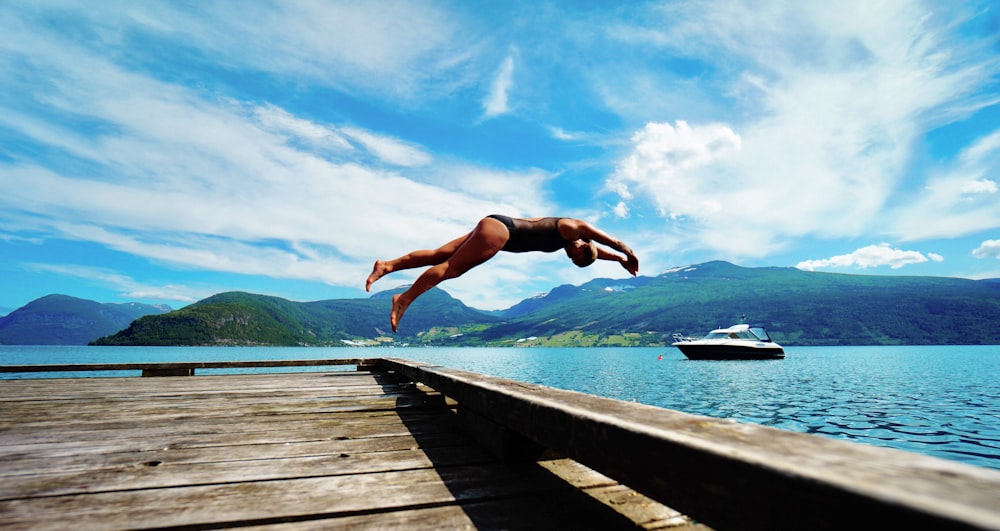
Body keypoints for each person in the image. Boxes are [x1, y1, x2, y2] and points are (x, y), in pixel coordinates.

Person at [365, 214, 640, 332]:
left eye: (573, 261)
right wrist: (626, 251)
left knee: (441, 254)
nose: (570, 256)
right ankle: (405, 298)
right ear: (583, 244)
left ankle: (388, 266)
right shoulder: (572, 228)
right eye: (576, 256)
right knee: (453, 269)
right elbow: (605, 240)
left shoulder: (570, 242)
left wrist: (617, 261)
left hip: (495, 223)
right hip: (501, 232)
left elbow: (598, 252)